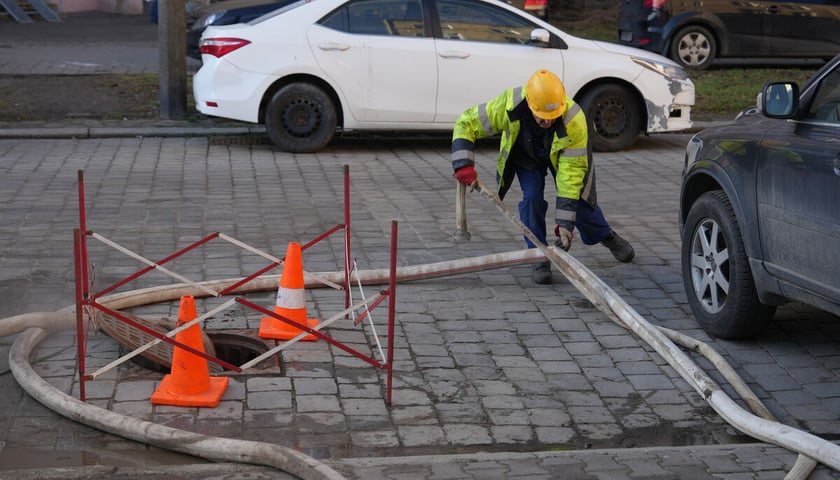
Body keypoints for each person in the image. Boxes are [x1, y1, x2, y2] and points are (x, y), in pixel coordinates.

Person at [451, 69, 635, 285]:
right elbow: (466, 122)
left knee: (580, 204)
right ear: (529, 103)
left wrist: (564, 223)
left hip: (563, 156)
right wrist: (464, 165)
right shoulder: (510, 104)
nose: (547, 121)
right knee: (531, 200)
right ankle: (538, 256)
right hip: (526, 155)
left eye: (552, 117)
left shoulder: (574, 118)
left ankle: (606, 236)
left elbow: (570, 175)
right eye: (542, 117)